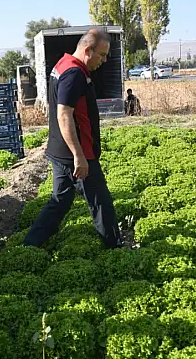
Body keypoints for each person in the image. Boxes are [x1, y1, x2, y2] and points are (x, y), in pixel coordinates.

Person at [23, 29, 122, 249]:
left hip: (60, 151)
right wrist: (79, 156)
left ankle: (30, 245)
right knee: (100, 201)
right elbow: (64, 114)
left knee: (60, 201)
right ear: (88, 50)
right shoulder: (74, 74)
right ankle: (114, 247)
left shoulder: (63, 65)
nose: (104, 60)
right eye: (102, 55)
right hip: (76, 153)